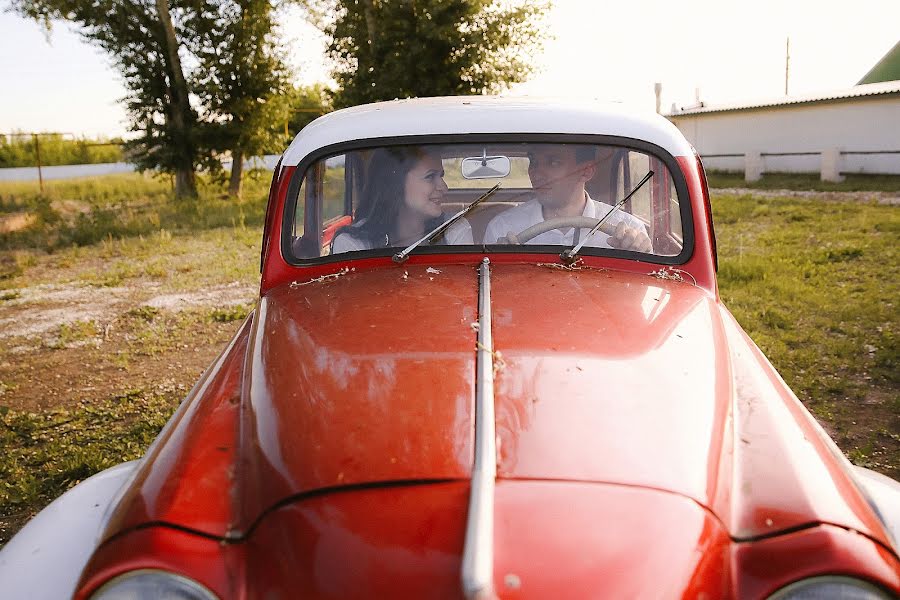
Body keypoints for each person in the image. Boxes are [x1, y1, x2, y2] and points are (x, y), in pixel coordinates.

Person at [483, 145, 653, 253]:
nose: (536, 173)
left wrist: (640, 252)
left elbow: (638, 302)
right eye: (533, 161)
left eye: (553, 162)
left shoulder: (628, 230)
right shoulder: (503, 227)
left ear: (586, 171)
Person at [332, 146, 473, 253]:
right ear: (395, 183)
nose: (444, 187)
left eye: (441, 176)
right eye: (430, 176)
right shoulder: (352, 244)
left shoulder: (454, 230)